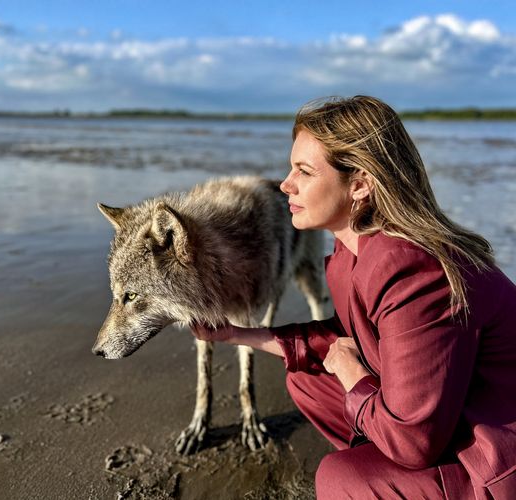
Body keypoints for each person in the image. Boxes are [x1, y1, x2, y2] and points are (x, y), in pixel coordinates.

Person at [191, 95, 516, 499]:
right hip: (448, 416)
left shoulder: (411, 270)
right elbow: (352, 338)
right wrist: (236, 335)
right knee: (308, 380)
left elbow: (415, 443)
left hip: (494, 457)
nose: (285, 184)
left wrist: (351, 374)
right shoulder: (357, 248)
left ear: (360, 185)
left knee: (340, 478)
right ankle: (383, 465)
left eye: (304, 172)